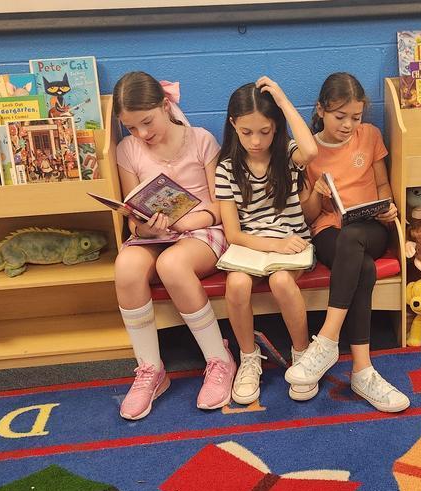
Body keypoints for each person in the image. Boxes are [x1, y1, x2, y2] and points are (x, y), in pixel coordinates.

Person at [112, 71, 235, 420]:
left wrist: (189, 222)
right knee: (126, 266)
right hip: (154, 236)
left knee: (172, 265)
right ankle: (151, 369)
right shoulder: (128, 149)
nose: (142, 134)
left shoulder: (200, 140)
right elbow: (133, 216)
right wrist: (147, 229)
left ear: (165, 105)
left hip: (202, 231)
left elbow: (220, 205)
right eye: (132, 128)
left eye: (147, 122)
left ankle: (219, 358)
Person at [285, 72, 411, 413]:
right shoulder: (309, 150)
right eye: (340, 117)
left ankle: (326, 340)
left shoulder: (369, 136)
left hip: (370, 226)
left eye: (355, 117)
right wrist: (315, 194)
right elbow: (310, 216)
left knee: (355, 236)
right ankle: (362, 370)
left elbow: (383, 185)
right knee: (362, 267)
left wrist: (388, 208)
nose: (348, 125)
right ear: (321, 110)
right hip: (329, 229)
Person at [215, 77, 319, 405]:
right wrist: (272, 244)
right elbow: (233, 234)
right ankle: (248, 357)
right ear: (233, 125)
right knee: (237, 287)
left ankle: (302, 355)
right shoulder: (227, 168)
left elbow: (312, 150)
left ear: (277, 127)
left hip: (293, 245)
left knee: (282, 281)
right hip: (251, 248)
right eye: (246, 132)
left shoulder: (287, 154)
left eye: (265, 131)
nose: (256, 141)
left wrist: (284, 101)